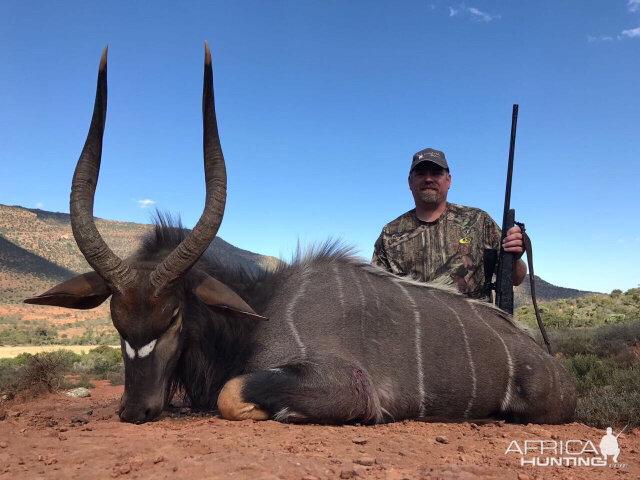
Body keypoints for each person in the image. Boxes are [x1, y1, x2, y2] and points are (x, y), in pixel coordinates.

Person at [372, 147, 526, 301]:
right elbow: (376, 291)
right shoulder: (389, 233)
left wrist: (515, 258)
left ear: (449, 180)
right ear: (410, 182)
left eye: (436, 173)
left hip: (471, 324)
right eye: (421, 174)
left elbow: (515, 279)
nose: (428, 179)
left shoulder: (479, 221)